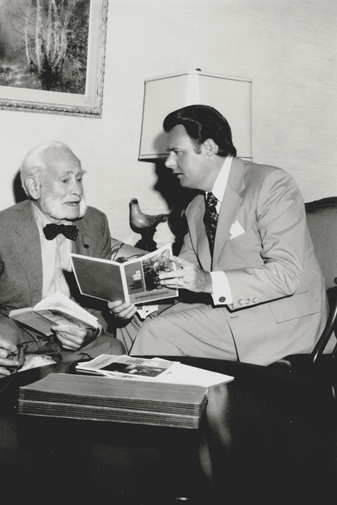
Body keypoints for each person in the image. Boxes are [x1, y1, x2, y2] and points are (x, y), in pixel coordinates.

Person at [109, 104, 332, 365]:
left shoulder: (271, 184)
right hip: (228, 311)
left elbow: (287, 274)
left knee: (160, 331)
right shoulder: (196, 208)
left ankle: (152, 404)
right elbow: (183, 271)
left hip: (281, 317)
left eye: (176, 152)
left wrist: (207, 282)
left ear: (209, 148)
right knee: (132, 321)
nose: (169, 163)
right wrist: (137, 299)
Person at [0, 141, 124, 389]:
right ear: (34, 186)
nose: (77, 190)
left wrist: (89, 330)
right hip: (15, 326)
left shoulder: (95, 222)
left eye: (79, 179)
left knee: (113, 348)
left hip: (73, 328)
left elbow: (101, 298)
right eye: (65, 180)